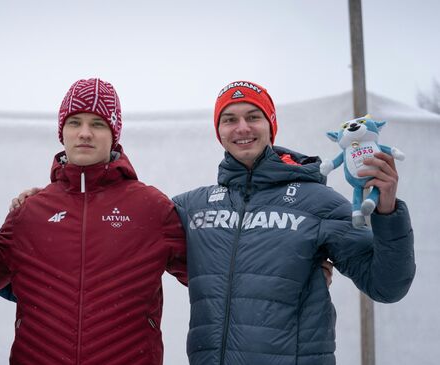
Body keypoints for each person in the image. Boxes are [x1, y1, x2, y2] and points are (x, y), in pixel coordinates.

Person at [172, 80, 416, 365]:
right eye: (229, 119)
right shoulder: (192, 207)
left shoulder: (317, 202)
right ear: (219, 131)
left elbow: (386, 286)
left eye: (253, 117)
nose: (242, 127)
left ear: (270, 125)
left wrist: (387, 212)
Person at [0, 78, 188, 364]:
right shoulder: (29, 213)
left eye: (98, 124)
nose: (85, 133)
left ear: (114, 134)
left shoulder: (151, 207)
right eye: (75, 122)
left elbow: (214, 279)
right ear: (62, 132)